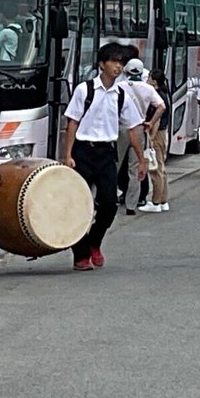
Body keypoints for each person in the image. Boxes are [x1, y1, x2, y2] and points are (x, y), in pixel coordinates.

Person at [64, 43, 148, 271]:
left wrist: (142, 159)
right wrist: (68, 155)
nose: (118, 67)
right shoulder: (85, 90)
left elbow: (133, 129)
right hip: (83, 150)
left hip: (106, 152)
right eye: (113, 62)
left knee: (109, 203)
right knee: (79, 205)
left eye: (121, 63)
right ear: (102, 64)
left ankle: (95, 242)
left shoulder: (121, 95)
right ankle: (80, 255)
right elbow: (72, 122)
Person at [119, 58, 164, 215]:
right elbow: (161, 106)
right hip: (139, 128)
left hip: (121, 128)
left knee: (114, 165)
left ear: (126, 71)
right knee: (135, 167)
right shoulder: (148, 89)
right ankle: (131, 205)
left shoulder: (119, 86)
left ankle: (106, 199)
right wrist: (151, 123)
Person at [139, 70, 174, 214]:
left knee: (156, 168)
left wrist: (151, 137)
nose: (147, 80)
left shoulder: (157, 97)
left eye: (149, 78)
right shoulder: (165, 94)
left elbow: (157, 119)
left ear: (154, 81)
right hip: (163, 132)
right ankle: (163, 200)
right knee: (161, 167)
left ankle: (156, 201)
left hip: (157, 133)